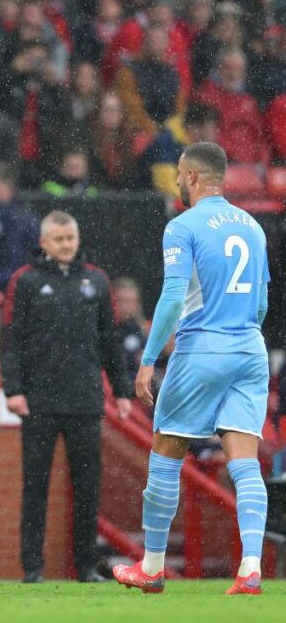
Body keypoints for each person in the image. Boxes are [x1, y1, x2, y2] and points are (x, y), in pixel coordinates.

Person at [115, 142, 271, 596]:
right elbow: (260, 303)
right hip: (250, 350)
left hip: (203, 348)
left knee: (165, 453)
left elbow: (171, 297)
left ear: (194, 177)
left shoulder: (183, 226)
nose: (179, 182)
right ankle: (250, 568)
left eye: (181, 175)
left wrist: (147, 361)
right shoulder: (254, 227)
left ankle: (152, 567)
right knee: (245, 464)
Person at [0, 210, 133, 584]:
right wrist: (14, 390)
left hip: (86, 400)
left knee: (88, 488)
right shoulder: (24, 281)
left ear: (77, 239)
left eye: (70, 239)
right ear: (44, 242)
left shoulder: (97, 281)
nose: (65, 245)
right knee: (35, 486)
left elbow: (111, 341)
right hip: (39, 402)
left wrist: (121, 392)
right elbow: (10, 340)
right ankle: (33, 568)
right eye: (58, 239)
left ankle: (86, 566)